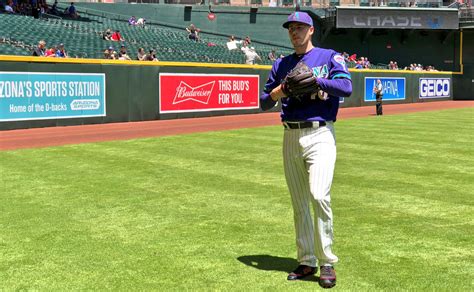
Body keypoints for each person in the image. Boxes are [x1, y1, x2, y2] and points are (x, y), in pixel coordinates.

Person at [259, 11, 352, 289]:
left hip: (320, 132)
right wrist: (280, 91)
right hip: (290, 135)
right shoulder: (281, 63)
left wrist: (317, 81)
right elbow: (265, 101)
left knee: (318, 195)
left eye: (299, 27)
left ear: (311, 30)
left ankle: (327, 262)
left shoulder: (328, 56)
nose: (294, 32)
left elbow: (346, 87)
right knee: (299, 202)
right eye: (291, 28)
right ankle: (307, 260)